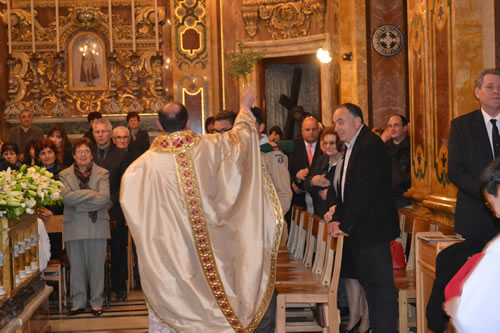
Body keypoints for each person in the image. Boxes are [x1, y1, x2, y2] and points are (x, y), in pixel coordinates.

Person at [120, 86, 282, 332]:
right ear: (187, 122)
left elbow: (134, 214)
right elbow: (241, 140)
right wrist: (245, 107)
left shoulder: (138, 169)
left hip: (169, 259)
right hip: (212, 251)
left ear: (160, 126)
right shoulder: (212, 146)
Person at [426, 68, 500, 332]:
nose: (496, 91)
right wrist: (487, 196)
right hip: (476, 217)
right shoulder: (462, 125)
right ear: (477, 92)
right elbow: (455, 170)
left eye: (499, 87)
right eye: (490, 87)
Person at [325, 103, 399, 333]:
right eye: (335, 122)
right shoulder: (351, 146)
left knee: (381, 290)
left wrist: (343, 223)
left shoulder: (369, 145)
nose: (336, 127)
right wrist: (338, 216)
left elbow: (363, 191)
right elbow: (344, 190)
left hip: (373, 230)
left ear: (357, 122)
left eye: (341, 121)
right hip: (361, 230)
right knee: (372, 289)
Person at [443, 158, 500, 332]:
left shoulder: (497, 251)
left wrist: (457, 307)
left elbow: (470, 319)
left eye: (492, 205)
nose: (496, 214)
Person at [59, 137, 110, 317]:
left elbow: (104, 198)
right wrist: (90, 194)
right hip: (74, 226)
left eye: (86, 151)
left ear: (92, 154)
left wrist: (78, 202)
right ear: (73, 155)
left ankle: (97, 302)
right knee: (77, 267)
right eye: (79, 151)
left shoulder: (102, 173)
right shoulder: (64, 175)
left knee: (97, 267)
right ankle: (78, 302)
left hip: (97, 226)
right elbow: (65, 198)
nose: (83, 154)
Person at [93, 118, 129, 301]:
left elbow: (124, 183)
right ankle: (96, 288)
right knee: (95, 251)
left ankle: (119, 286)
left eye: (103, 132)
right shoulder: (86, 153)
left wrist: (110, 202)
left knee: (117, 249)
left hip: (114, 210)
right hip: (90, 212)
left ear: (110, 133)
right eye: (97, 132)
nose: (100, 135)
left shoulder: (121, 155)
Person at [35, 138, 66, 261]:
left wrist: (52, 211)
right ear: (38, 157)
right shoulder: (33, 173)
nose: (47, 156)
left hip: (58, 218)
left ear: (55, 153)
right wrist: (39, 209)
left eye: (49, 152)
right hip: (39, 217)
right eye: (43, 153)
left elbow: (67, 196)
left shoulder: (65, 172)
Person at [288, 116, 323, 216]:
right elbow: (287, 171)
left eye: (314, 129)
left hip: (319, 200)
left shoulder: (324, 146)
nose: (311, 132)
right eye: (307, 130)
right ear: (302, 131)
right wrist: (294, 181)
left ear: (319, 130)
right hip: (299, 200)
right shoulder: (293, 147)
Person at [386, 115, 411, 208]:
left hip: (405, 198)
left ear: (405, 128)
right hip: (387, 198)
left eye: (396, 125)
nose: (392, 129)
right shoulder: (385, 148)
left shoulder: (412, 147)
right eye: (390, 126)